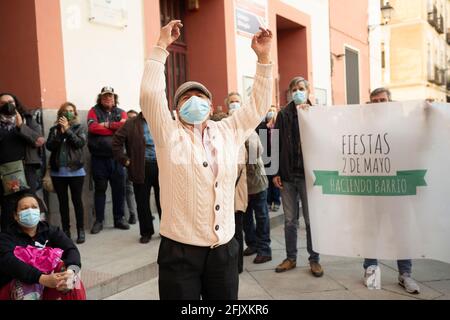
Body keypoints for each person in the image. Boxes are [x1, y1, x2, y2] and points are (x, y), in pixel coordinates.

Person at [141, 20, 273, 300]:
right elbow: (150, 94)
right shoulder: (167, 132)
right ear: (176, 109)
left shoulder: (228, 130)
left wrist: (263, 59)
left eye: (200, 97)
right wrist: (161, 46)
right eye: (185, 98)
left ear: (211, 107)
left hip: (223, 252)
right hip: (180, 254)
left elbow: (258, 105)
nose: (194, 101)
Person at [363, 87, 420, 294]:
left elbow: (419, 135)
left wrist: (428, 110)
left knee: (401, 232)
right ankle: (371, 269)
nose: (379, 104)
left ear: (390, 101)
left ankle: (405, 274)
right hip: (373, 189)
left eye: (383, 100)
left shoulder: (402, 124)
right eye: (375, 101)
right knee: (372, 231)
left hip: (397, 189)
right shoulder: (362, 125)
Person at [272, 77, 323, 277]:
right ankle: (290, 258)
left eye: (301, 88)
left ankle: (315, 259)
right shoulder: (283, 114)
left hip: (309, 177)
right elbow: (273, 144)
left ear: (308, 91)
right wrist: (274, 172)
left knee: (311, 220)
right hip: (286, 175)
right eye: (294, 89)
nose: (298, 92)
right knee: (290, 220)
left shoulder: (317, 114)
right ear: (290, 93)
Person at [0, 193, 83, 300]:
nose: (30, 211)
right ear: (16, 215)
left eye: (34, 207)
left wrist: (71, 271)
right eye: (24, 208)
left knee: (71, 277)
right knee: (21, 284)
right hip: (18, 287)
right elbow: (10, 263)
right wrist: (42, 278)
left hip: (50, 284)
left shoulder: (50, 230)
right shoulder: (6, 237)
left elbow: (71, 250)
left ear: (39, 211)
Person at [226, 92, 272, 264]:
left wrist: (243, 132)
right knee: (245, 217)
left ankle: (264, 249)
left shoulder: (248, 123)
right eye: (231, 102)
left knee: (261, 216)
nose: (234, 105)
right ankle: (252, 244)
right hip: (240, 184)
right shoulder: (227, 125)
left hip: (256, 179)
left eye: (237, 101)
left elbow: (257, 150)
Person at [112, 111, 161, 244]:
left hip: (162, 166)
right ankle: (146, 232)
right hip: (140, 166)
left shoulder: (161, 120)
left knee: (164, 201)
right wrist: (126, 161)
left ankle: (166, 231)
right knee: (142, 201)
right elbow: (116, 143)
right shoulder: (131, 123)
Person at [87, 87, 129, 234]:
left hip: (117, 158)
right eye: (105, 96)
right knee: (100, 190)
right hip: (99, 158)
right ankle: (99, 221)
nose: (108, 99)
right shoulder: (93, 111)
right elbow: (92, 128)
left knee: (119, 190)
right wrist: (113, 128)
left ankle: (119, 218)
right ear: (100, 98)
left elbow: (124, 127)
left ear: (114, 98)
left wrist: (106, 125)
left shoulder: (121, 112)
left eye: (110, 96)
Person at [211, 111, 248, 274]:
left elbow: (238, 166)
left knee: (236, 231)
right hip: (222, 197)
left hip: (234, 196)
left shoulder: (235, 142)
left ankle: (237, 265)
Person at [0, 93, 43, 231]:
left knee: (28, 205)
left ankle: (31, 240)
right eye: (3, 103)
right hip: (4, 173)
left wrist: (21, 126)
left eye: (10, 101)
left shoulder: (27, 119)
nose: (7, 105)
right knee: (8, 209)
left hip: (26, 170)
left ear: (16, 103)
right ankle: (8, 244)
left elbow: (39, 141)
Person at [46, 102, 87, 244]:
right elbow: (49, 146)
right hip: (58, 173)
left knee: (77, 202)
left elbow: (80, 143)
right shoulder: (54, 129)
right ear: (60, 113)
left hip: (76, 172)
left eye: (71, 110)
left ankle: (81, 230)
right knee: (63, 203)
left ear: (75, 113)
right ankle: (66, 231)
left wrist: (68, 130)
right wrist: (60, 134)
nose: (69, 113)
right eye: (66, 110)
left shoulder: (79, 128)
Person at [257, 106, 281, 211]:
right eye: (269, 111)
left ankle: (276, 201)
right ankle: (268, 201)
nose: (271, 112)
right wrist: (267, 127)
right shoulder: (262, 125)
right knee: (266, 180)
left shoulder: (278, 125)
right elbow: (258, 134)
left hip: (275, 156)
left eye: (273, 111)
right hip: (264, 156)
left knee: (275, 179)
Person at [124, 110, 139, 225]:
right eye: (129, 118)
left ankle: (142, 213)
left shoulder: (141, 131)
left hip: (141, 166)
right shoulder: (124, 131)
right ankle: (133, 214)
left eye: (134, 117)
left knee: (141, 191)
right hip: (127, 165)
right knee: (129, 190)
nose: (132, 120)